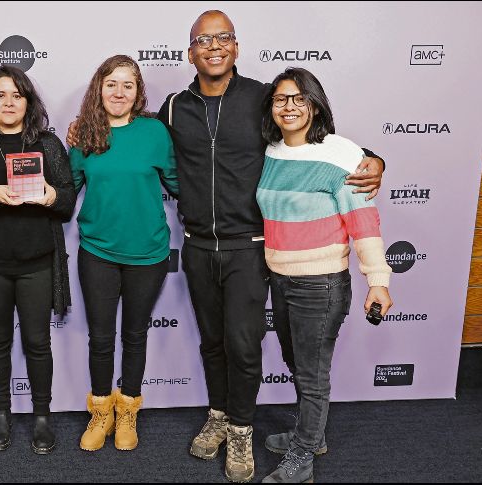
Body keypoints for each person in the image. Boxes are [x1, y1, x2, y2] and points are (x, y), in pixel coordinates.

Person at [154, 10, 387, 483]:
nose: (214, 46)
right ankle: (219, 414)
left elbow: (316, 145)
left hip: (250, 246)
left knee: (243, 344)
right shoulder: (175, 106)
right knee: (213, 342)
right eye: (203, 39)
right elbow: (139, 142)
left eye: (223, 38)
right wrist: (88, 133)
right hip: (198, 246)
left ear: (237, 47)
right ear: (190, 50)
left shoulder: (264, 99)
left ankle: (242, 430)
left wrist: (375, 159)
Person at [256, 67, 393, 483]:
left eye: (300, 98)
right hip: (280, 278)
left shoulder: (342, 153)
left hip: (321, 282)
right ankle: (309, 434)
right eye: (281, 99)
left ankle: (303, 456)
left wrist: (379, 281)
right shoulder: (272, 151)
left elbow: (363, 221)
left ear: (316, 105)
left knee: (313, 375)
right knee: (296, 363)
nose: (290, 106)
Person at [0, 65, 75, 455]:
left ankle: (41, 416)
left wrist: (50, 195)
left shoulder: (48, 145)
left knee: (38, 342)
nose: (8, 102)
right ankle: (1, 413)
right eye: (0, 95)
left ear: (28, 101)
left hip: (38, 263)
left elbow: (68, 200)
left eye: (16, 95)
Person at [70, 55, 179, 452]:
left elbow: (179, 183)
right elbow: (67, 190)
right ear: (99, 88)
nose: (119, 92)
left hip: (148, 253)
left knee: (134, 335)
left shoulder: (154, 132)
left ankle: (128, 411)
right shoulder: (84, 134)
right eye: (111, 83)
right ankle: (101, 412)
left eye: (128, 85)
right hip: (97, 251)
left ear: (138, 92)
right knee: (100, 338)